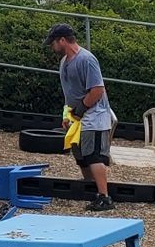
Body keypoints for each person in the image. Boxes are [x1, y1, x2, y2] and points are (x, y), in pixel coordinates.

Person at [45, 24, 115, 210]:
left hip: (94, 116)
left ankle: (104, 196)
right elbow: (70, 92)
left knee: (93, 156)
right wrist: (67, 114)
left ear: (62, 40)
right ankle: (90, 187)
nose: (52, 47)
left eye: (53, 43)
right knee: (80, 155)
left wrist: (82, 108)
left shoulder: (87, 60)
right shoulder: (65, 62)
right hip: (77, 115)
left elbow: (97, 90)